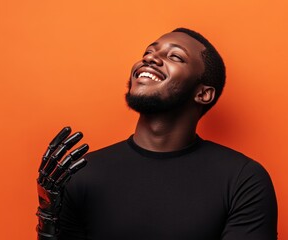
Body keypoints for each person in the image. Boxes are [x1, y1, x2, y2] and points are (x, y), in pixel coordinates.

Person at [36, 28, 278, 240]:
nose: (151, 58)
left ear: (203, 94)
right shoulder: (81, 174)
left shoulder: (243, 180)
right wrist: (47, 222)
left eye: (175, 56)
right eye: (148, 52)